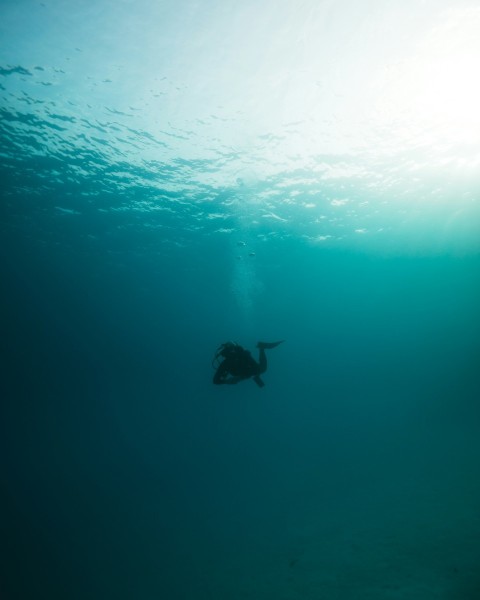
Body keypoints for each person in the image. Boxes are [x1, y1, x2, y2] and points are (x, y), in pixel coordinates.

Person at [212, 340, 284, 388]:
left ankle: (261, 348)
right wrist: (227, 381)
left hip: (246, 373)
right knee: (260, 370)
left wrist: (226, 381)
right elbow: (215, 380)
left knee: (260, 370)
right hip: (247, 373)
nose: (232, 353)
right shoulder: (239, 354)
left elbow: (216, 380)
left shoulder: (226, 362)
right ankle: (261, 348)